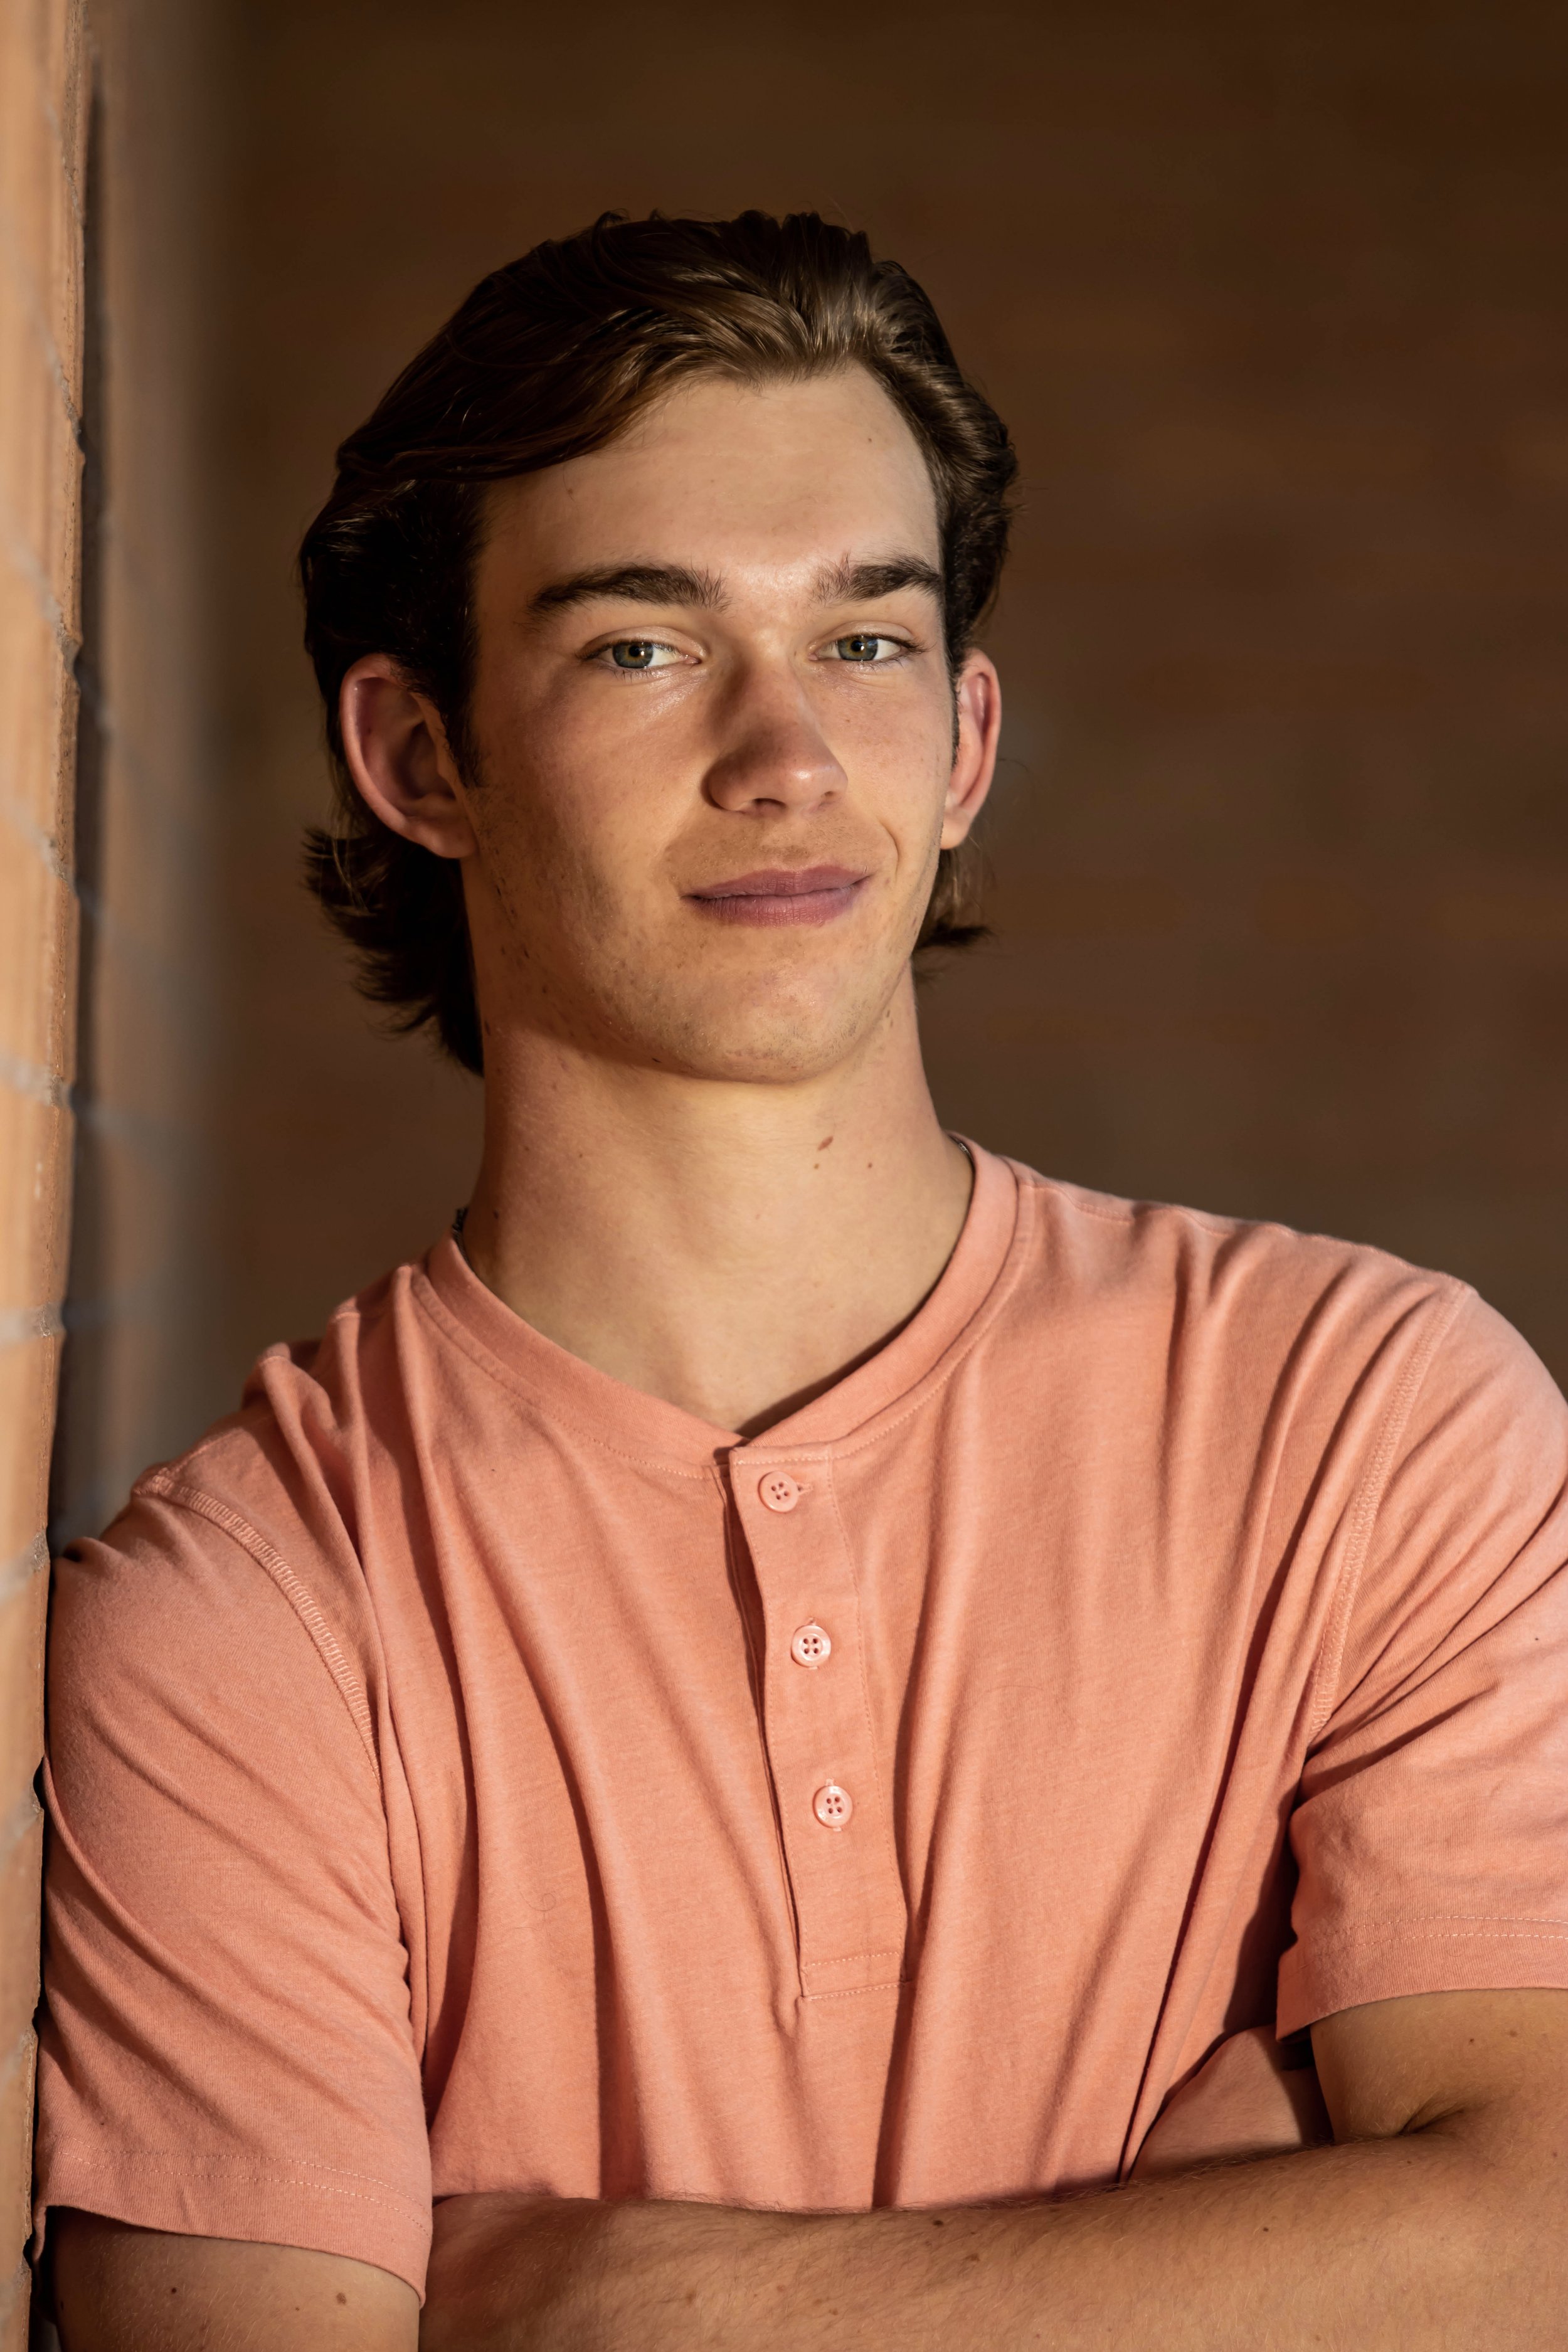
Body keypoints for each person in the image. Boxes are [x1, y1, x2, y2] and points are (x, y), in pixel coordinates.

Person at [36, 211, 1568, 2350]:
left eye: (864, 640)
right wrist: (1245, 2256)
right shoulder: (241, 1624)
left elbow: (1536, 2249)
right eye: (642, 646)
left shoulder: (1367, 1415)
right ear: (418, 762)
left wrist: (640, 2303)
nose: (785, 756)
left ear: (962, 740)